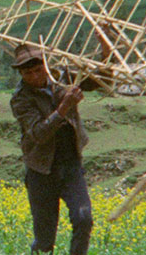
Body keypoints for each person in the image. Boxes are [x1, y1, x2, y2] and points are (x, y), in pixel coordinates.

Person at [10, 43, 95, 255]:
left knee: (84, 219)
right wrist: (64, 107)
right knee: (45, 241)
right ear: (21, 74)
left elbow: (98, 76)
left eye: (38, 70)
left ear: (46, 66)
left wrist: (104, 42)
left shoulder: (63, 78)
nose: (34, 76)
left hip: (70, 165)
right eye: (27, 73)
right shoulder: (20, 99)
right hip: (41, 172)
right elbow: (39, 133)